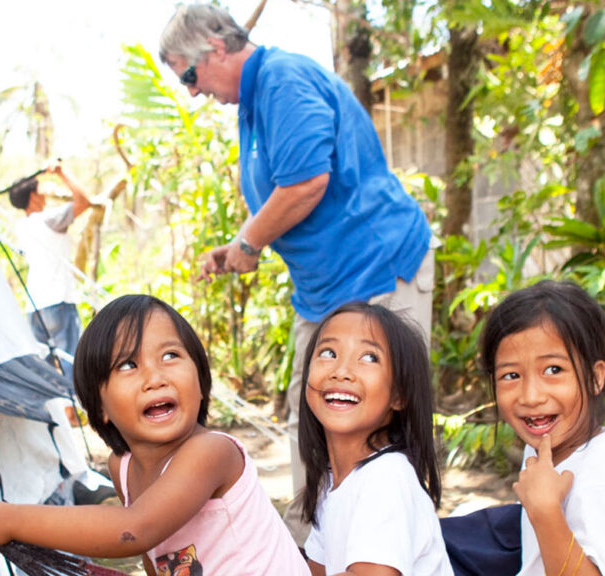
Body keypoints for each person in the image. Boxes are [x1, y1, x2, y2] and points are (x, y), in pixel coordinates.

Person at [159, 4, 436, 544]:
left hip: (376, 267)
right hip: (327, 287)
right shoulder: (254, 98)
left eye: (189, 74)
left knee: (380, 414)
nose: (191, 91)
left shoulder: (283, 79)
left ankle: (388, 541)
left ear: (216, 47)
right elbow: (280, 188)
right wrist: (241, 243)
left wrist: (249, 241)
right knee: (310, 408)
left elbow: (307, 181)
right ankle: (313, 540)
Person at [0, 294, 310, 576]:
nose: (155, 377)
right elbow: (157, 555)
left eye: (170, 356)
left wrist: (8, 521)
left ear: (200, 381)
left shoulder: (211, 453)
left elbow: (135, 530)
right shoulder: (124, 467)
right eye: (128, 365)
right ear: (99, 407)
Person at [299, 302, 452, 576]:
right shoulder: (332, 482)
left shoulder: (386, 477)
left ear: (399, 395)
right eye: (328, 352)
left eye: (369, 357)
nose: (341, 371)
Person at [481, 280, 605, 575]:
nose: (531, 397)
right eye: (511, 375)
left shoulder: (597, 475)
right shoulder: (544, 448)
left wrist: (546, 511)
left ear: (596, 377)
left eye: (553, 370)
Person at [8, 165, 91, 364]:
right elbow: (83, 201)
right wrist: (62, 173)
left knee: (46, 372)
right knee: (72, 364)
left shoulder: (21, 227)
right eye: (40, 190)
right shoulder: (49, 220)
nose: (44, 194)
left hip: (35, 307)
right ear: (33, 196)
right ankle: (74, 396)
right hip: (59, 303)